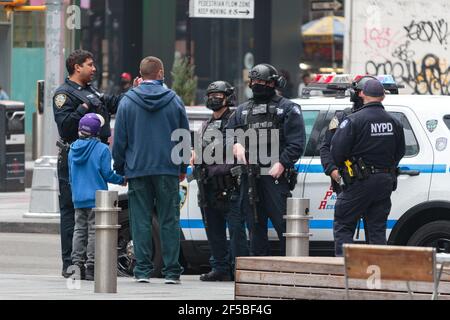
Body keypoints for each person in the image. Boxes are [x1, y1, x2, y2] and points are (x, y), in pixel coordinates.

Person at [112, 56, 190, 284]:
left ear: (141, 74)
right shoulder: (174, 100)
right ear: (160, 73)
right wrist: (183, 166)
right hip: (167, 169)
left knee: (141, 220)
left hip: (137, 169)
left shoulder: (127, 101)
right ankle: (172, 272)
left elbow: (120, 140)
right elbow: (183, 136)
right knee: (169, 219)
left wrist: (120, 168)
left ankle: (143, 271)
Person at [53, 49, 122, 278]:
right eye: (90, 65)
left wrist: (135, 91)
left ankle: (90, 264)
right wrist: (84, 108)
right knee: (72, 214)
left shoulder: (91, 90)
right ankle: (71, 265)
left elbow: (112, 103)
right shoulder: (64, 94)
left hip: (95, 157)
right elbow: (65, 126)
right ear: (77, 67)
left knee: (92, 216)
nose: (94, 69)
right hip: (73, 158)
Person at [227, 63, 306, 256]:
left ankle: (292, 272)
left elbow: (297, 142)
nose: (257, 85)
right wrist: (235, 144)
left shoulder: (287, 108)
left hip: (275, 176)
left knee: (283, 225)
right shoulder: (242, 111)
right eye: (254, 81)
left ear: (273, 83)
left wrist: (282, 162)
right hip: (249, 176)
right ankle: (258, 272)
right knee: (254, 226)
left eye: (262, 81)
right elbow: (227, 134)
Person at [330, 79, 405, 257]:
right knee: (377, 230)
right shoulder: (394, 122)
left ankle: (346, 272)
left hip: (359, 182)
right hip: (384, 181)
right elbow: (400, 151)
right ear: (383, 97)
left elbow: (337, 152)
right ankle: (378, 275)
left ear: (362, 94)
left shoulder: (353, 120)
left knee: (344, 225)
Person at [191, 81, 249, 281]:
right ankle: (220, 268)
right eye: (210, 95)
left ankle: (239, 269)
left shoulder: (236, 120)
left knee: (236, 231)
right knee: (213, 230)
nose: (213, 98)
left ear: (228, 98)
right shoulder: (206, 124)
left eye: (218, 95)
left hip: (231, 186)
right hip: (208, 187)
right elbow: (198, 152)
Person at [68, 113, 125, 280]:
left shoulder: (72, 148)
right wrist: (121, 179)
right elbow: (107, 174)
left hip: (78, 197)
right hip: (96, 197)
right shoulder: (102, 149)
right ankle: (91, 266)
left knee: (79, 230)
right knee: (93, 231)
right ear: (96, 131)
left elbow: (71, 176)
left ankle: (76, 265)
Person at [320, 76, 377, 195]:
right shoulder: (342, 118)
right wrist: (333, 171)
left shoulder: (380, 118)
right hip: (347, 181)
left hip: (372, 182)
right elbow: (326, 147)